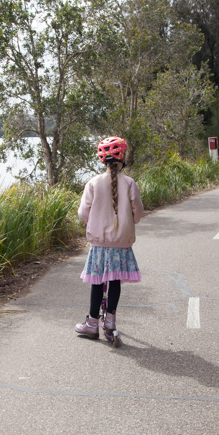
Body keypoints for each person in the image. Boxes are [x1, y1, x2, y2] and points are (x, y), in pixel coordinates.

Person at [75, 136, 144, 339]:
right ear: (122, 158)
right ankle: (111, 321)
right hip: (121, 243)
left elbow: (82, 213)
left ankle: (92, 323)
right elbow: (137, 213)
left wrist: (94, 222)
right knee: (115, 281)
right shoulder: (130, 183)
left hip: (99, 244)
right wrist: (129, 221)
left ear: (102, 159)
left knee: (97, 281)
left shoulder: (93, 183)